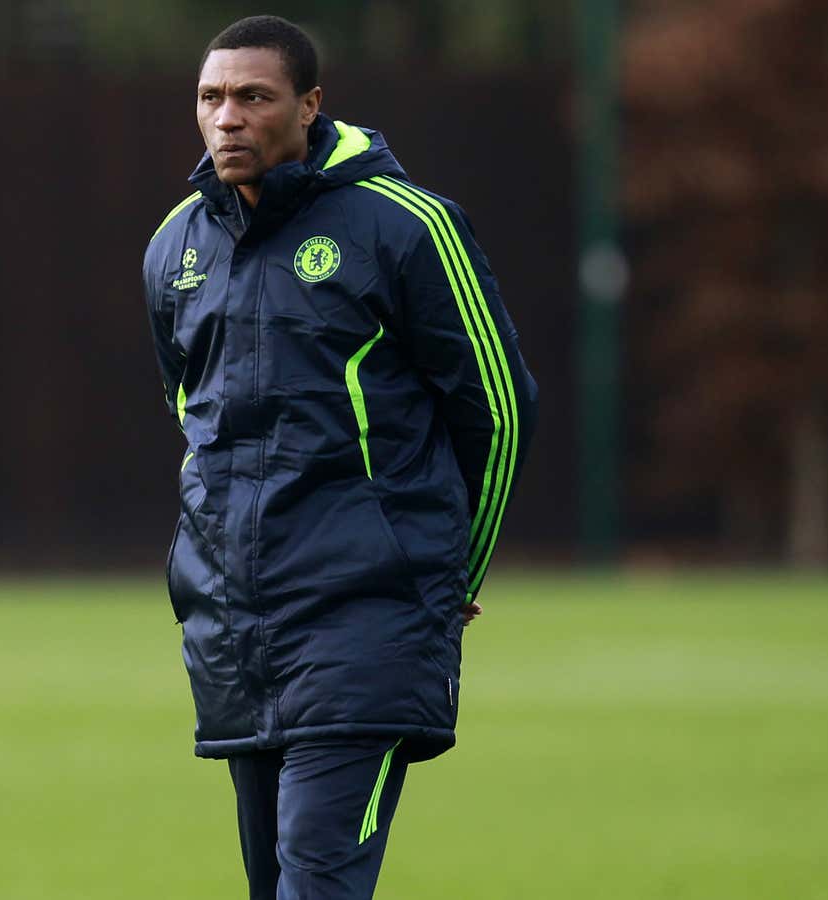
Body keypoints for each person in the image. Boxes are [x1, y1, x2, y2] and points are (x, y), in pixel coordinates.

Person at [142, 15, 539, 900]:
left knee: (317, 884)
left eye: (254, 97)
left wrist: (452, 572)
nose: (228, 118)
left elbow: (500, 410)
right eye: (211, 98)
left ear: (311, 105)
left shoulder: (405, 226)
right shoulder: (175, 246)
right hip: (237, 629)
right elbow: (191, 413)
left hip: (367, 616)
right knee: (274, 883)